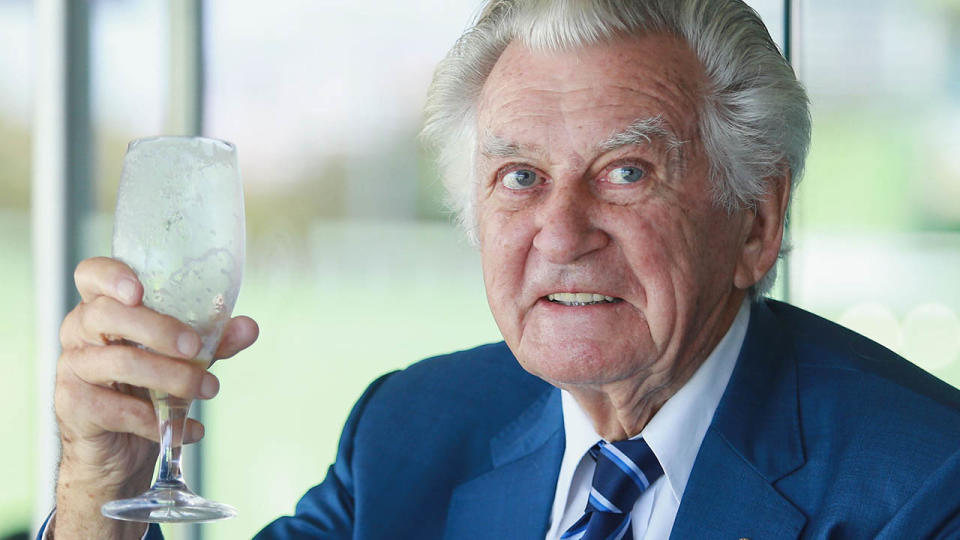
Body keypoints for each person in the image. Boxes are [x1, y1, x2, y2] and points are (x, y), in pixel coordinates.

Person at [42, 0, 960, 538]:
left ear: (757, 221)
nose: (561, 232)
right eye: (520, 177)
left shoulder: (924, 483)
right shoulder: (408, 433)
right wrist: (98, 492)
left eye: (626, 173)